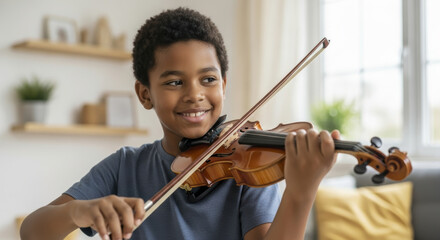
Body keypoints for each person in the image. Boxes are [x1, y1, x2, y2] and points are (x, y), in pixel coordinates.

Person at [20, 7, 339, 240]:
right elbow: (32, 231)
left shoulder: (248, 167)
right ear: (145, 94)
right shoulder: (124, 166)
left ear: (224, 86)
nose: (195, 95)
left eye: (209, 79)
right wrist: (78, 211)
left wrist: (301, 191)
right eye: (174, 82)